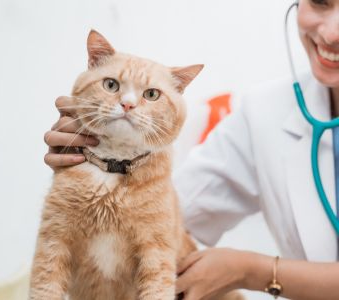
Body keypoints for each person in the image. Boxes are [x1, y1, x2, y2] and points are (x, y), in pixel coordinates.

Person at [43, 0, 339, 299]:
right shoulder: (264, 111)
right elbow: (170, 213)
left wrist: (253, 270)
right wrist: (97, 163)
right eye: (321, 2)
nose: (331, 33)